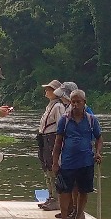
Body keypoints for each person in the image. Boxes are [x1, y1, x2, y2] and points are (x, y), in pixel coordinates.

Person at [52, 89, 102, 219]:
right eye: (73, 102)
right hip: (67, 162)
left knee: (83, 191)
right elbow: (58, 143)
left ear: (84, 103)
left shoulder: (92, 120)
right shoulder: (64, 120)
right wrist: (55, 162)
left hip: (86, 162)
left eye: (78, 102)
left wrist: (97, 152)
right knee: (64, 191)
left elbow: (99, 138)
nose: (75, 104)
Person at [36, 80, 67, 211]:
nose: (46, 91)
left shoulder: (58, 107)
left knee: (52, 168)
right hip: (44, 138)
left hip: (51, 138)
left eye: (49, 89)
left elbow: (60, 126)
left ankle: (56, 199)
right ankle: (50, 196)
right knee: (46, 167)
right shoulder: (50, 105)